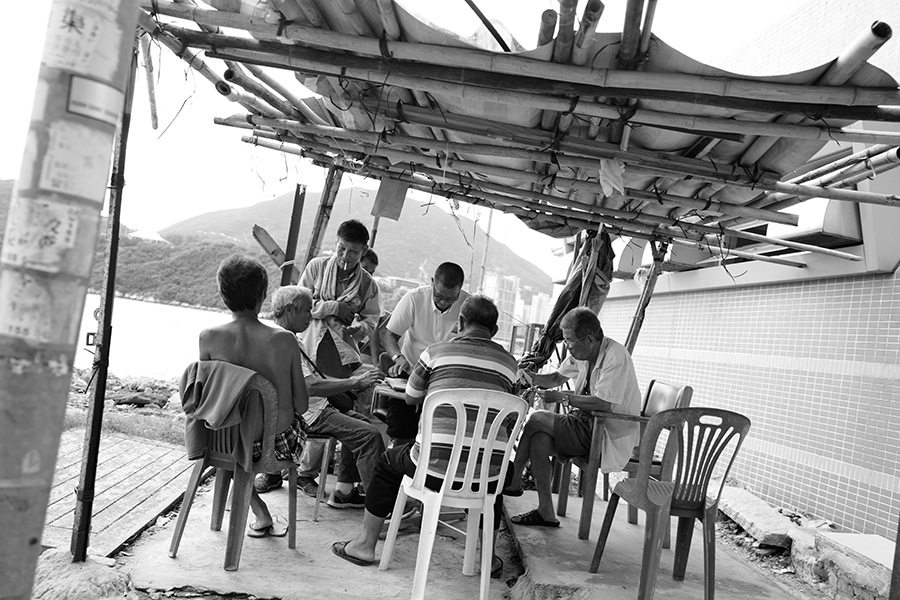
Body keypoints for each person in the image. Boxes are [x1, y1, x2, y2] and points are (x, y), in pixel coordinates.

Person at [331, 295, 517, 575]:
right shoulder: (510, 365)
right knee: (493, 473)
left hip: (432, 470)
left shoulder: (435, 352)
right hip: (484, 477)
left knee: (386, 463)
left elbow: (411, 396)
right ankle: (487, 559)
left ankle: (365, 545)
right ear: (495, 330)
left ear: (461, 322)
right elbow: (511, 415)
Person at [198, 255, 309, 537]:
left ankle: (260, 513)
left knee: (237, 442)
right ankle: (260, 513)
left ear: (223, 295)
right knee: (262, 437)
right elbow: (302, 404)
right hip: (273, 445)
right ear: (263, 296)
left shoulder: (208, 338)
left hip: (223, 442)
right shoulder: (284, 339)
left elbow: (207, 398)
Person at [505, 307, 641, 527]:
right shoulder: (582, 353)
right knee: (539, 441)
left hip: (606, 431)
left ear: (587, 339)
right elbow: (556, 378)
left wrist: (565, 399)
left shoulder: (615, 356)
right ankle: (546, 511)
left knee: (537, 418)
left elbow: (604, 403)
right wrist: (530, 378)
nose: (566, 346)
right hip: (585, 424)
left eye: (569, 341)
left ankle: (513, 478)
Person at [254, 286, 386, 509]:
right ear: (290, 309)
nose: (311, 316)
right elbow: (310, 386)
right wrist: (355, 382)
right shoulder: (285, 342)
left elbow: (315, 378)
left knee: (362, 425)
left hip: (313, 408)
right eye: (306, 311)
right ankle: (380, 509)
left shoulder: (282, 337)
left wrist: (356, 379)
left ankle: (344, 492)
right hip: (309, 413)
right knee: (370, 435)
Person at [379, 262, 470, 444]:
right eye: (439, 296)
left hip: (446, 382)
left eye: (451, 299)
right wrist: (398, 358)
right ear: (432, 282)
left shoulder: (469, 306)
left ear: (460, 290)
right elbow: (389, 336)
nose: (443, 302)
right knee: (401, 436)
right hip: (411, 373)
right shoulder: (415, 298)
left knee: (439, 441)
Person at [299, 219, 381, 379]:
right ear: (336, 242)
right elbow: (300, 305)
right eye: (341, 248)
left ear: (364, 251)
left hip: (340, 355)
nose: (345, 256)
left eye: (353, 252)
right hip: (307, 344)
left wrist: (358, 328)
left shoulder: (368, 285)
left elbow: (371, 324)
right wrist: (334, 308)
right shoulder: (317, 267)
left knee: (334, 397)